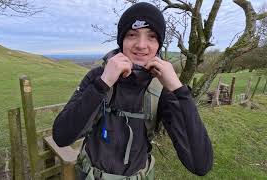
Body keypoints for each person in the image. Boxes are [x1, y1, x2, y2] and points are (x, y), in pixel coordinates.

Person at [52, 2, 213, 180]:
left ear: (159, 44)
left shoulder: (161, 89)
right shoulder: (98, 77)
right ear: (122, 40)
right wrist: (103, 83)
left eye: (151, 36)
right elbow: (61, 136)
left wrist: (178, 89)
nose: (141, 45)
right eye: (132, 35)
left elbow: (200, 164)